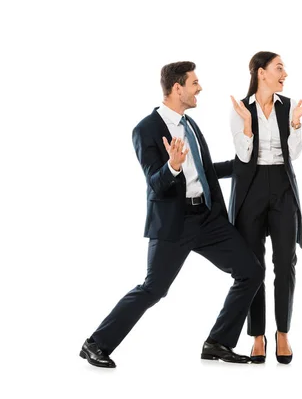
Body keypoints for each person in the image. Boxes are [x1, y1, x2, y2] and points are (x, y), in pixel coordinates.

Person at [79, 61, 264, 368]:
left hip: (206, 218)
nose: (199, 88)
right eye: (194, 83)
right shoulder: (146, 129)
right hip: (173, 225)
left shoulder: (190, 125)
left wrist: (242, 166)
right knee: (153, 289)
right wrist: (173, 166)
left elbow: (204, 172)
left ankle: (218, 342)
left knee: (251, 271)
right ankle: (95, 343)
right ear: (178, 89)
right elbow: (155, 181)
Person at [229, 51, 302, 364]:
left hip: (282, 185)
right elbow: (242, 155)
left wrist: (295, 121)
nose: (285, 74)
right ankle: (257, 335)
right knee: (254, 266)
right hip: (251, 188)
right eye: (279, 68)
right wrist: (249, 124)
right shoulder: (240, 108)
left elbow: (294, 152)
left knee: (285, 262)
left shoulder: (289, 105)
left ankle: (282, 332)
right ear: (261, 72)